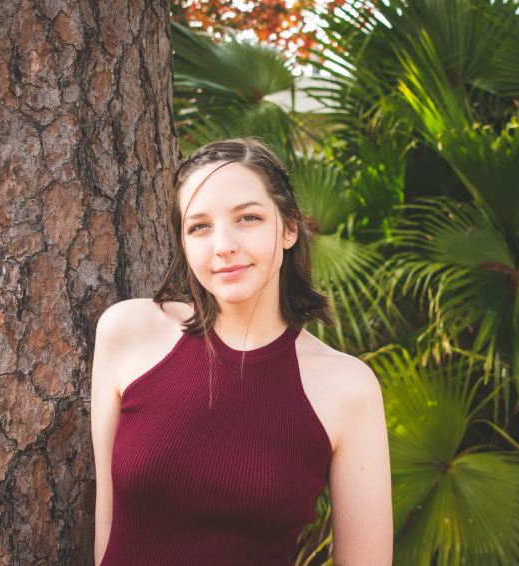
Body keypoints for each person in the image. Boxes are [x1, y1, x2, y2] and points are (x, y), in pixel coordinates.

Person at [90, 138, 393, 565]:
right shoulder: (128, 332)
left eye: (247, 218)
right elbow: (107, 524)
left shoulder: (347, 387)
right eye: (199, 226)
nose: (223, 245)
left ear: (289, 229)